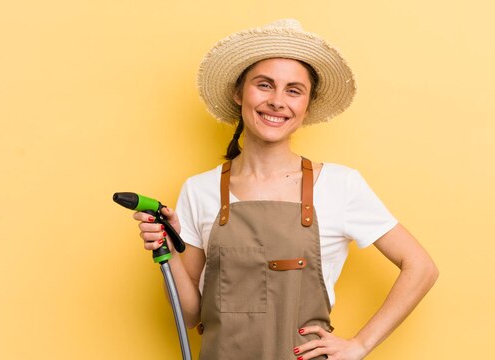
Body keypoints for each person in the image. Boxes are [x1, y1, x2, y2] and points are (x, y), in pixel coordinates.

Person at [133, 19, 438, 360]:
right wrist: (168, 249)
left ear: (306, 106)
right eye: (264, 85)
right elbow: (190, 314)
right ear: (239, 93)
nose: (277, 101)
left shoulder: (340, 185)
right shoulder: (199, 190)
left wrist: (361, 344)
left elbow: (421, 267)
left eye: (293, 90)